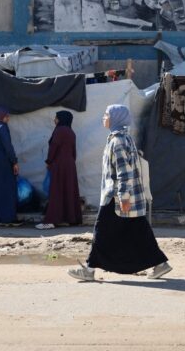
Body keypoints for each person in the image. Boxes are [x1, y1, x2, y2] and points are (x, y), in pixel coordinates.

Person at [67, 104, 171, 281]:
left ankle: (90, 270)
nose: (104, 117)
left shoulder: (118, 141)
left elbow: (124, 172)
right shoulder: (122, 138)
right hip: (122, 197)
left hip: (116, 198)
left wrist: (124, 197)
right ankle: (160, 264)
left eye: (106, 114)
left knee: (102, 231)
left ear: (115, 118)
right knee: (138, 230)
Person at [36, 111, 82, 230]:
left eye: (56, 117)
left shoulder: (59, 130)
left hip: (59, 164)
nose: (54, 120)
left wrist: (49, 161)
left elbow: (54, 147)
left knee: (56, 191)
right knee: (69, 191)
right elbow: (73, 151)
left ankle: (51, 220)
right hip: (70, 164)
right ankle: (71, 218)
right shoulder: (71, 132)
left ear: (61, 119)